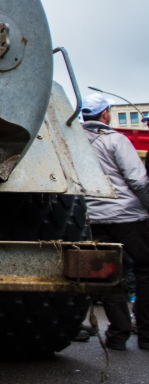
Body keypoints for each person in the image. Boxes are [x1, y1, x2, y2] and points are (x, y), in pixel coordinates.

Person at [81, 94, 149, 350]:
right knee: (145, 269)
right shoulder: (115, 140)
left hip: (93, 219)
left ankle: (118, 334)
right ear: (105, 114)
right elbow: (138, 181)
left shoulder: (75, 142)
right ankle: (146, 334)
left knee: (108, 275)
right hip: (128, 216)